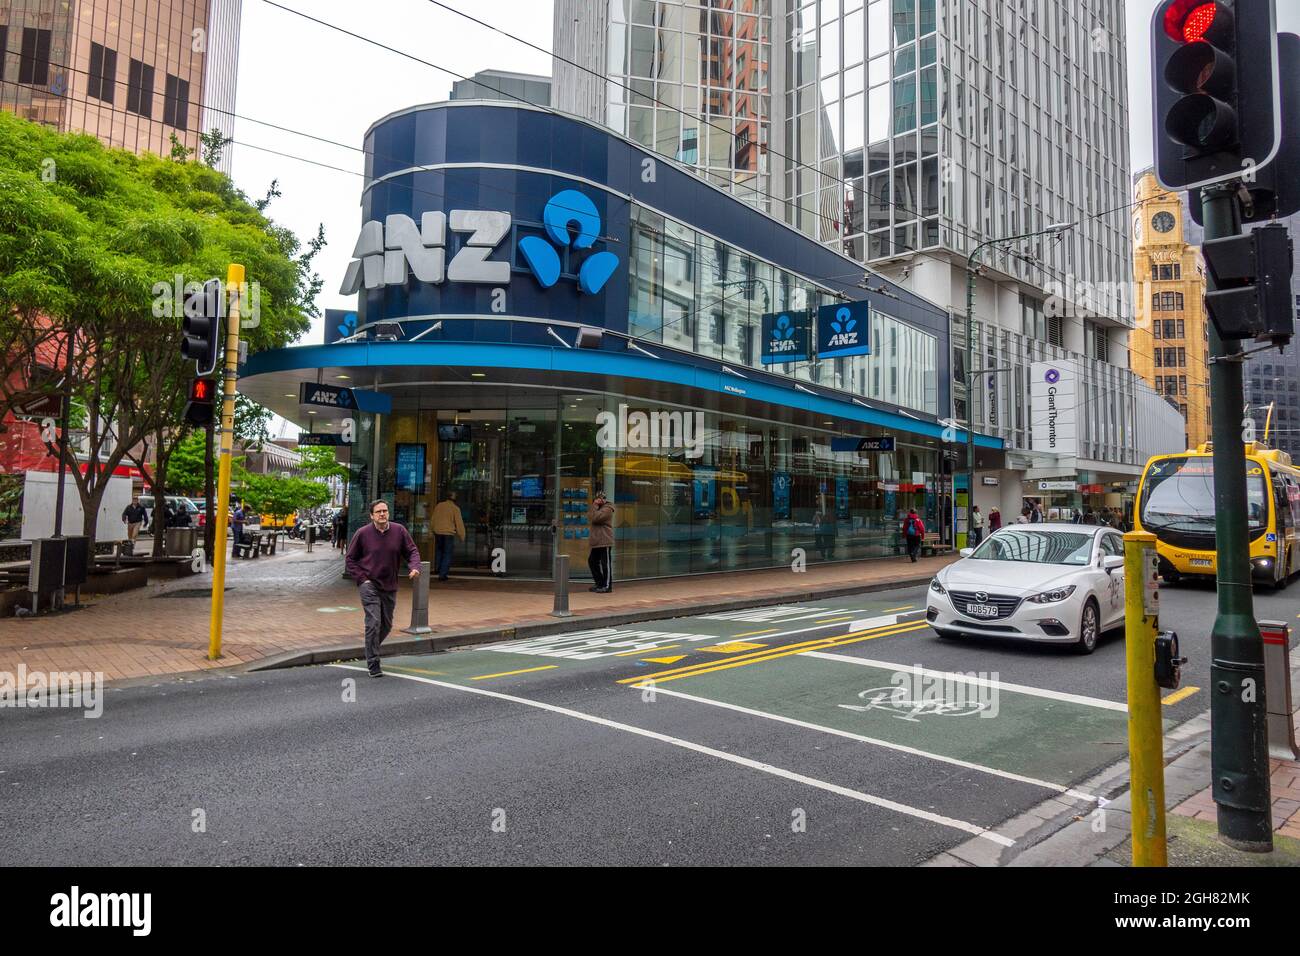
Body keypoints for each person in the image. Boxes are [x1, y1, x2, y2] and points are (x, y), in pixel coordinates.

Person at [345, 499, 421, 677]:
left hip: (389, 584)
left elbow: (412, 551)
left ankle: (370, 647)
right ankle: (373, 663)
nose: (382, 514)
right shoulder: (362, 534)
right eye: (378, 511)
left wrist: (415, 567)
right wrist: (362, 579)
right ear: (371, 515)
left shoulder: (399, 531)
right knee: (374, 623)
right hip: (369, 585)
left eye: (385, 511)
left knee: (386, 625)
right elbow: (350, 559)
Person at [432, 490, 466, 581]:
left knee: (439, 551)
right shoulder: (455, 508)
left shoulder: (439, 506)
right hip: (448, 533)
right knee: (447, 553)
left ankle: (437, 569)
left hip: (438, 532)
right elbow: (459, 523)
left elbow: (433, 519)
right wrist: (462, 536)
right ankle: (442, 574)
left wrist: (431, 531)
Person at [588, 489, 615, 592]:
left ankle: (607, 586)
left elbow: (596, 518)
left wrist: (594, 505)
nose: (600, 500)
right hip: (596, 541)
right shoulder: (596, 507)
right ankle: (599, 583)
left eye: (602, 498)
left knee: (605, 564)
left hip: (605, 540)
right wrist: (594, 506)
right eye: (598, 498)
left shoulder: (608, 508)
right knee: (592, 561)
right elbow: (590, 516)